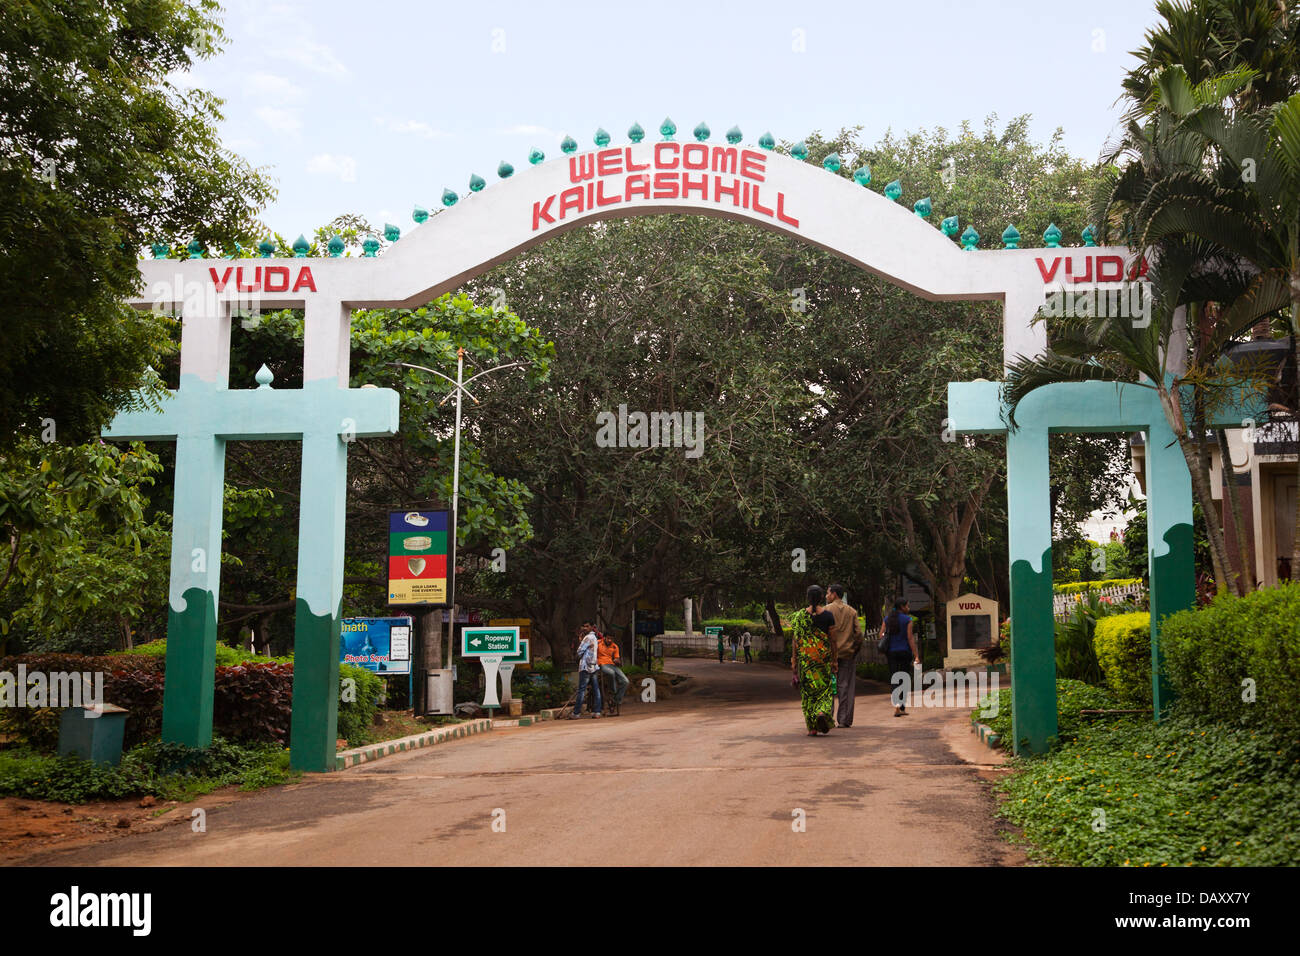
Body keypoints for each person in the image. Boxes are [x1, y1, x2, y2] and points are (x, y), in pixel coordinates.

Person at [790, 585, 836, 736]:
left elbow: (795, 642)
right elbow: (833, 641)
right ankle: (821, 712)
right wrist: (834, 660)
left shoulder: (798, 617)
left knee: (808, 694)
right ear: (821, 597)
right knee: (825, 691)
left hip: (806, 662)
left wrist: (794, 662)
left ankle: (812, 728)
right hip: (822, 661)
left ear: (807, 598)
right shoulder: (828, 616)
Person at [825, 584, 863, 727]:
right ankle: (844, 720)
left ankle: (827, 718)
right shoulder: (851, 611)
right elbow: (859, 634)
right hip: (847, 654)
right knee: (845, 686)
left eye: (828, 593)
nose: (826, 596)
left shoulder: (826, 611)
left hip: (829, 655)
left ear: (834, 594)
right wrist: (854, 649)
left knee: (828, 686)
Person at [879, 599, 920, 717]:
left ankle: (896, 704)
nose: (908, 608)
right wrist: (916, 655)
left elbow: (880, 634)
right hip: (904, 652)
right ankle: (901, 707)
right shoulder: (907, 620)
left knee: (894, 678)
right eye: (907, 605)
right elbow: (910, 638)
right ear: (902, 607)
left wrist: (887, 635)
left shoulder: (887, 619)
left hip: (891, 652)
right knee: (904, 679)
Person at [570, 623, 602, 719]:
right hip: (593, 666)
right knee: (596, 689)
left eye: (587, 626)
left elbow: (580, 651)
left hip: (585, 667)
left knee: (581, 690)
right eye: (583, 626)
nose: (585, 628)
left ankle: (576, 713)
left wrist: (580, 642)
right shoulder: (594, 637)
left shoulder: (588, 637)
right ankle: (597, 712)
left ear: (592, 627)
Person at [597, 632, 629, 715]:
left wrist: (617, 661)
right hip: (602, 664)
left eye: (611, 639)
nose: (609, 640)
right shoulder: (598, 643)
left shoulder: (615, 646)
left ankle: (615, 700)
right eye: (608, 638)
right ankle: (613, 691)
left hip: (612, 665)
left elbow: (617, 659)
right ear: (604, 637)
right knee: (611, 673)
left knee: (625, 681)